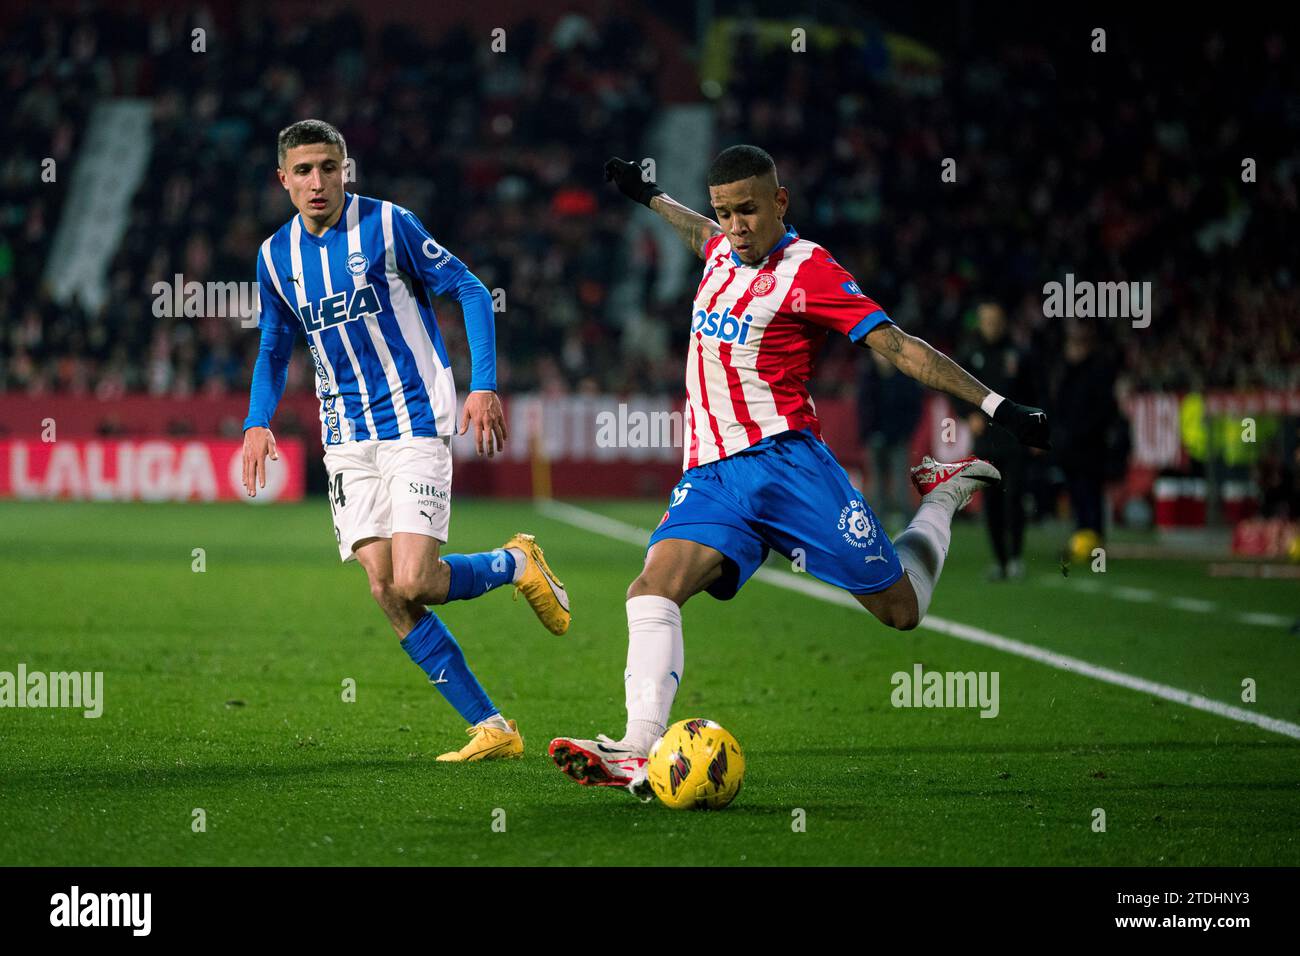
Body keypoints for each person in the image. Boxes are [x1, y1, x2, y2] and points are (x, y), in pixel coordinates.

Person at [549, 146, 1049, 795]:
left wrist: (995, 405)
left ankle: (943, 498)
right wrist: (648, 197)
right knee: (651, 589)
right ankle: (637, 748)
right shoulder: (721, 245)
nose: (734, 225)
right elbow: (698, 229)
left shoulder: (809, 270)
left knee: (901, 610)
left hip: (790, 468)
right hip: (715, 474)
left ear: (779, 202)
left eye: (748, 210)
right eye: (726, 211)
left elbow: (898, 347)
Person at [241, 119, 570, 762]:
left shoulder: (390, 226)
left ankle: (515, 563)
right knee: (385, 588)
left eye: (329, 168)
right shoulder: (275, 257)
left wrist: (485, 384)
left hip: (414, 418)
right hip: (345, 437)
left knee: (415, 580)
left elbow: (470, 289)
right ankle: (492, 726)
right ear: (283, 179)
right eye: (303, 171)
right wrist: (258, 420)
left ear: (346, 170)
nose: (317, 182)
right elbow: (275, 346)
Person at [958, 302, 1036, 579]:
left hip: (1013, 440)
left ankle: (1015, 556)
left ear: (1003, 321)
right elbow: (955, 389)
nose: (990, 325)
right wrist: (969, 414)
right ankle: (999, 559)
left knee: (1014, 498)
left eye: (995, 320)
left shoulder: (1019, 354)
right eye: (986, 320)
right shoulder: (970, 355)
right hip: (986, 442)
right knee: (991, 503)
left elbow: (1033, 394)